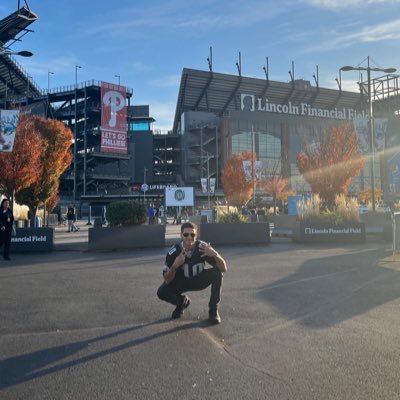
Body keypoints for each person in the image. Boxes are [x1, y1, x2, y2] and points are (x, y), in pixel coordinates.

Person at [157, 221, 227, 324]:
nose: (189, 237)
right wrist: (175, 265)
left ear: (196, 235)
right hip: (181, 282)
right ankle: (182, 302)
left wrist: (215, 255)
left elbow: (224, 268)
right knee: (161, 292)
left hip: (199, 280)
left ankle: (213, 311)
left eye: (192, 235)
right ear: (181, 235)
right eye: (186, 235)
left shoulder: (203, 247)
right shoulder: (174, 252)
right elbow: (167, 280)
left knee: (217, 273)